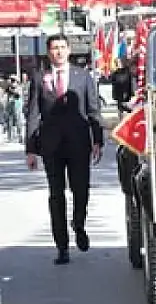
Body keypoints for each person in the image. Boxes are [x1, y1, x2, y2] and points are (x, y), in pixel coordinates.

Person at [24, 35, 105, 265]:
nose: (58, 52)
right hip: (51, 146)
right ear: (49, 53)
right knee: (56, 195)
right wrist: (30, 150)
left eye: (62, 48)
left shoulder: (83, 76)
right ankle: (62, 246)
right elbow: (32, 114)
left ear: (69, 50)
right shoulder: (39, 78)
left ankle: (79, 224)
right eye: (54, 48)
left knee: (81, 190)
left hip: (79, 143)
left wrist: (97, 140)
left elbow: (93, 110)